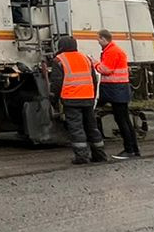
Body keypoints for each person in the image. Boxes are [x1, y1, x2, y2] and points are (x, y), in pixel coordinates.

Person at [50, 36, 110, 164]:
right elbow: (94, 80)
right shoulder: (86, 58)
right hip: (88, 97)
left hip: (71, 99)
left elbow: (56, 84)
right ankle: (100, 155)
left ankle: (82, 157)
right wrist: (93, 96)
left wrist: (53, 99)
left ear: (61, 46)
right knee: (92, 127)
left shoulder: (59, 60)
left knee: (76, 128)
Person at [96, 28, 140, 158]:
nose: (97, 41)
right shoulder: (113, 50)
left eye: (98, 38)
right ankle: (133, 149)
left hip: (115, 90)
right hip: (119, 90)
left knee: (122, 120)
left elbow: (106, 70)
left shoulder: (111, 51)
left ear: (104, 39)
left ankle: (129, 149)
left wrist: (94, 64)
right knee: (124, 119)